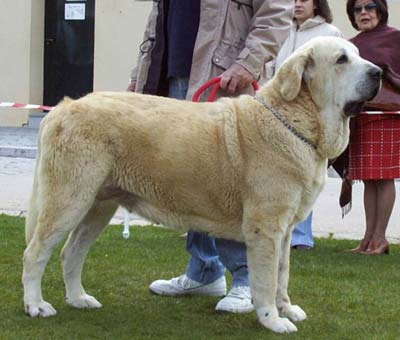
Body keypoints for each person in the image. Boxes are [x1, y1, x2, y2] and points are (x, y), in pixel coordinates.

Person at [127, 0, 293, 313]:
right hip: (171, 77)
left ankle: (246, 279)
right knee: (191, 181)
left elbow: (276, 11)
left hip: (223, 77)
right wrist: (140, 76)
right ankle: (203, 269)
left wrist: (248, 62)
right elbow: (156, 24)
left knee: (228, 183)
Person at [270, 0, 343, 250]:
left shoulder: (330, 35)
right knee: (281, 175)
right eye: (293, 0)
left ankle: (301, 236)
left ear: (317, 4)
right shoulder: (281, 30)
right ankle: (280, 230)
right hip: (279, 113)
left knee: (306, 173)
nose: (297, 4)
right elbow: (272, 69)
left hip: (312, 117)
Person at [344, 0, 400, 254]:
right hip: (361, 117)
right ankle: (367, 238)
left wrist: (387, 74)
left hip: (388, 115)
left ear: (381, 10)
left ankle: (380, 238)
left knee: (384, 178)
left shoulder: (395, 38)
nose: (364, 13)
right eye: (358, 9)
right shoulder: (352, 44)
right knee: (368, 179)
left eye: (369, 7)